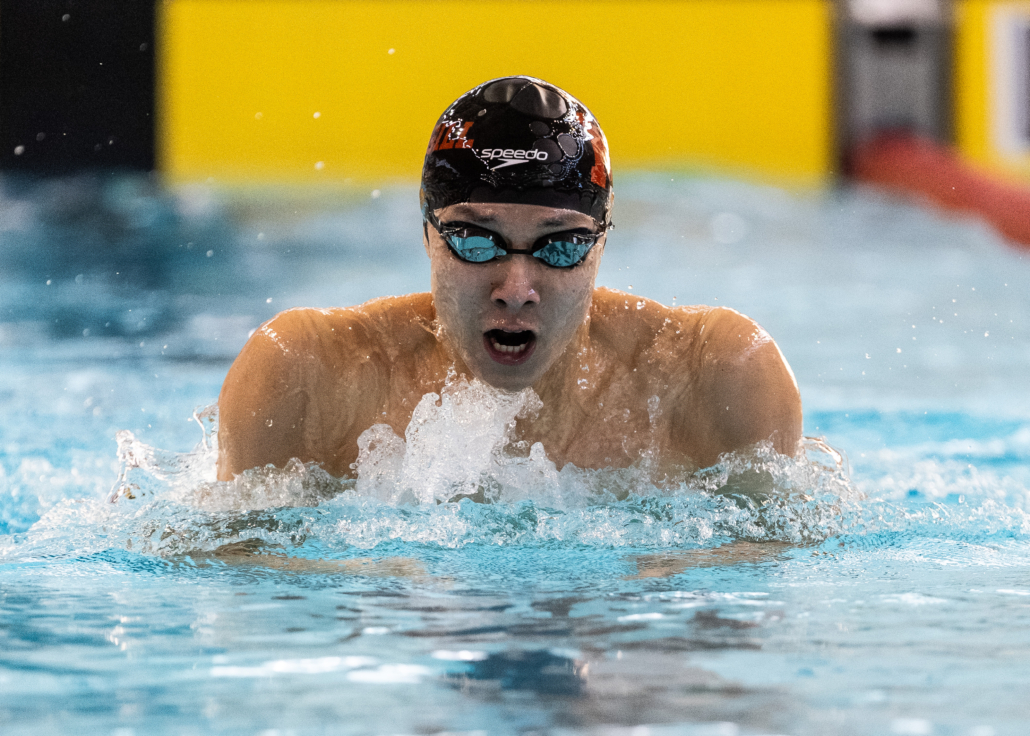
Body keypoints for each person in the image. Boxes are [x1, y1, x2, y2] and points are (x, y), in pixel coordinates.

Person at [216, 76, 802, 483]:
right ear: (427, 234)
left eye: (561, 245)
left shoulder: (714, 380)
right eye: (477, 241)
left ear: (600, 245)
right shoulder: (309, 376)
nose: (517, 287)